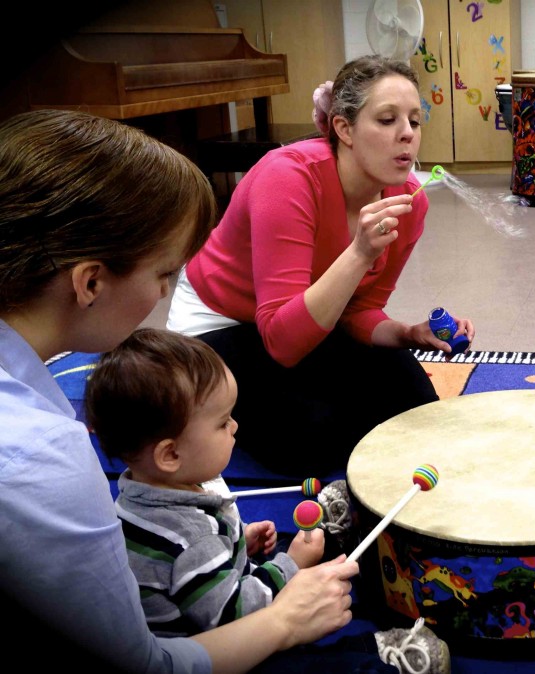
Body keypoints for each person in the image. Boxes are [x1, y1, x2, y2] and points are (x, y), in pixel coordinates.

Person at [0, 108, 370, 673]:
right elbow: (145, 664)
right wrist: (285, 618)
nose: (168, 293)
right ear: (91, 282)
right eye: (165, 274)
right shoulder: (41, 456)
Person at [167, 55, 474, 476]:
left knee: (414, 405)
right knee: (309, 436)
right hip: (220, 320)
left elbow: (356, 311)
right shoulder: (288, 178)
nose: (407, 135)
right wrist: (360, 252)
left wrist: (407, 333)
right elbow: (281, 341)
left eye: (415, 121)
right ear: (343, 129)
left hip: (306, 318)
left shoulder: (408, 201)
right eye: (387, 120)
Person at [84, 328, 326, 635]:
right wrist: (292, 564)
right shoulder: (193, 537)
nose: (235, 426)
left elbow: (182, 573)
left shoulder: (134, 494)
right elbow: (234, 616)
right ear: (170, 455)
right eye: (223, 422)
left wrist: (234, 547)